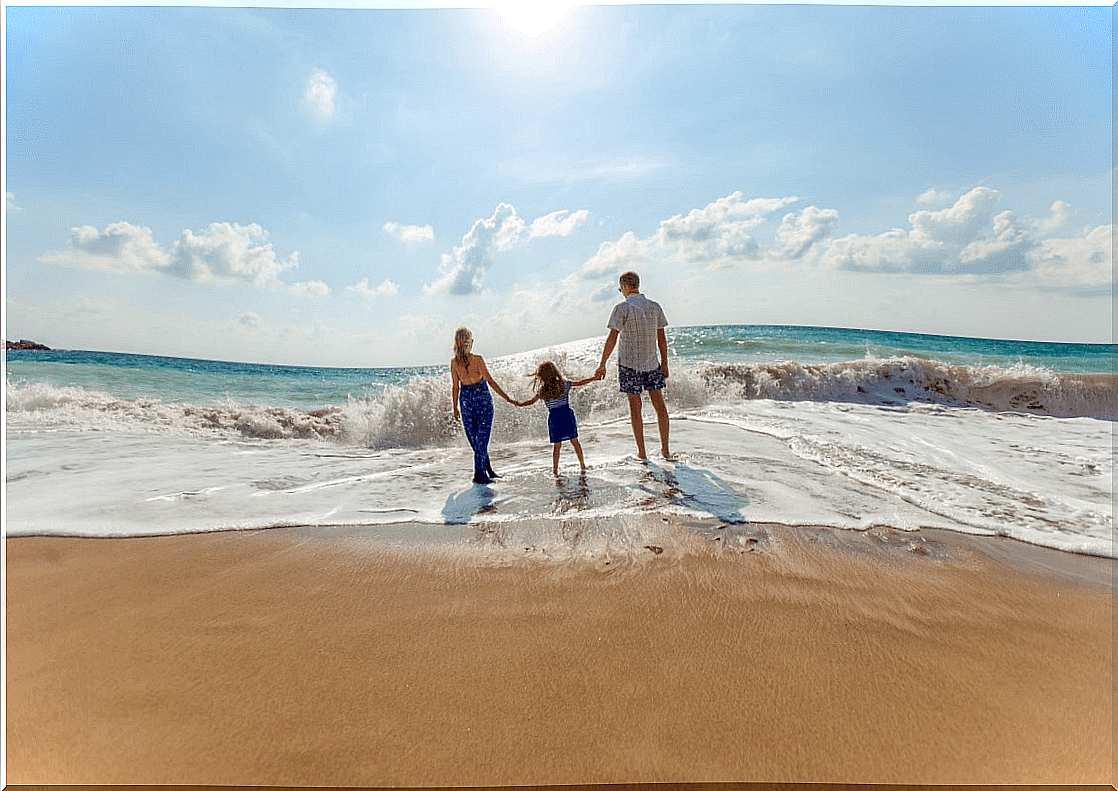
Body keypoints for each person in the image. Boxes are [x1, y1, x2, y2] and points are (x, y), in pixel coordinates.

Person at [594, 271, 671, 459]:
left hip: (629, 365)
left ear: (626, 287)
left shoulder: (622, 308)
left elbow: (612, 338)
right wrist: (665, 363)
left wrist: (602, 364)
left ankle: (642, 453)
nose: (621, 291)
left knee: (636, 410)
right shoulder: (654, 306)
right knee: (660, 407)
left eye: (621, 288)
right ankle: (665, 450)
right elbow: (661, 339)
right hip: (652, 363)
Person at [450, 327, 516, 484]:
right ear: (467, 343)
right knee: (475, 440)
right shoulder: (455, 363)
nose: (472, 343)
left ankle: (480, 472)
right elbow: (455, 387)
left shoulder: (477, 359)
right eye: (471, 340)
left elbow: (489, 381)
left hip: (480, 399)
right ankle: (486, 471)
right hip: (467, 400)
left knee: (481, 438)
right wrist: (455, 408)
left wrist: (507, 398)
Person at [513, 361, 600, 475]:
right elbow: (580, 383)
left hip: (554, 419)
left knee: (557, 446)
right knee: (574, 441)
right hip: (566, 415)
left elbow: (531, 401)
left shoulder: (543, 391)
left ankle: (555, 470)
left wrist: (519, 403)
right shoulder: (563, 384)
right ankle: (582, 465)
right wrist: (593, 378)